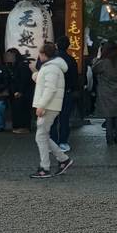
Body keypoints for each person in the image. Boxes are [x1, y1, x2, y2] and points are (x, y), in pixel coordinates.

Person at [30, 42, 74, 179]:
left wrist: (41, 105)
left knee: (41, 136)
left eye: (40, 53)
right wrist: (35, 73)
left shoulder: (51, 68)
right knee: (43, 135)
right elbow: (43, 80)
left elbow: (50, 88)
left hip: (48, 106)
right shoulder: (51, 67)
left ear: (44, 54)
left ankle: (46, 167)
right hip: (50, 105)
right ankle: (62, 159)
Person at [92, 41, 117, 145]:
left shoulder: (104, 62)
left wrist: (98, 57)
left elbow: (94, 69)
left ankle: (110, 140)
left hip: (106, 92)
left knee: (109, 117)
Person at [51, 36, 79, 152]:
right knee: (64, 119)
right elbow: (74, 78)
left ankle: (52, 142)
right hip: (66, 92)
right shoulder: (71, 60)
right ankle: (63, 142)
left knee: (52, 119)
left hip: (52, 92)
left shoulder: (51, 60)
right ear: (68, 46)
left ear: (56, 45)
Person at [6, 48, 33, 134]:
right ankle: (17, 126)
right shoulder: (11, 66)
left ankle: (24, 127)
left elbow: (25, 80)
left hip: (24, 92)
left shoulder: (22, 65)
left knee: (23, 109)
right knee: (16, 110)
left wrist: (20, 91)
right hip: (15, 91)